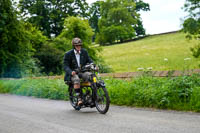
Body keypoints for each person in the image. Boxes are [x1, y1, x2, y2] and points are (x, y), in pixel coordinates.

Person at [63, 37, 93, 106]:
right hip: (73, 73)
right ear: (74, 46)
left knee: (91, 75)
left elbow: (89, 60)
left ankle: (93, 96)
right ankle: (79, 98)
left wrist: (93, 65)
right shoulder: (68, 54)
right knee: (76, 79)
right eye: (77, 45)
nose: (78, 46)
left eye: (80, 45)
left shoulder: (84, 52)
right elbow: (65, 66)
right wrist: (71, 72)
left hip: (82, 72)